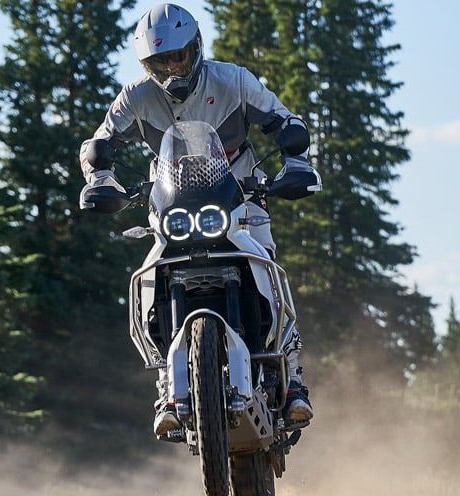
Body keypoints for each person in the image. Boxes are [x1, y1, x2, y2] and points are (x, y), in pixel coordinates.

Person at [78, 3, 315, 436]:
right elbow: (99, 143)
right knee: (152, 273)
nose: (171, 69)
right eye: (159, 61)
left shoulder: (234, 81)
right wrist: (101, 178)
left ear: (196, 47)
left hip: (239, 192)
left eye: (178, 56)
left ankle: (293, 379)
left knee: (266, 261)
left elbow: (284, 121)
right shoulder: (136, 97)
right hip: (170, 204)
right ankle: (166, 384)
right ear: (146, 65)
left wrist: (295, 160)